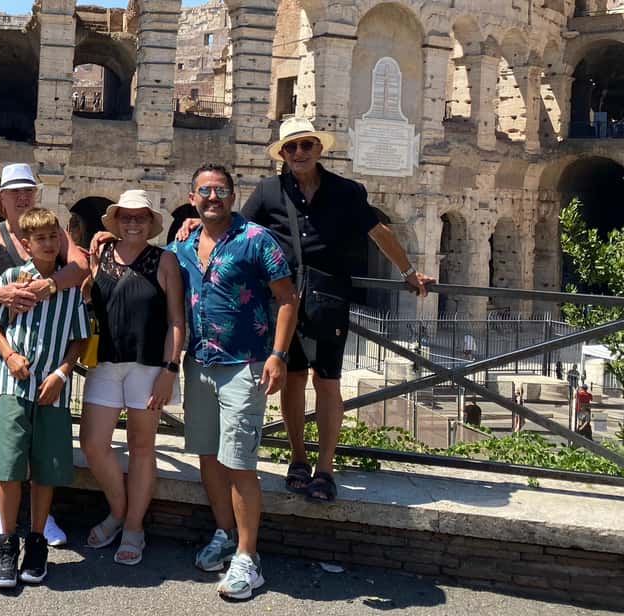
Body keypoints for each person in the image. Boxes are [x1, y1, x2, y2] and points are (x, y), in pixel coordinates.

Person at [171, 118, 434, 503]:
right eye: (291, 147)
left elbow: (379, 232)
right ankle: (298, 457)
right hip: (283, 296)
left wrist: (409, 272)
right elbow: (238, 225)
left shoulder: (346, 191)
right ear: (282, 153)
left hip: (328, 295)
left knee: (327, 381)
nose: (299, 153)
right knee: (292, 378)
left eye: (306, 145)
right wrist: (200, 220)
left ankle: (325, 467)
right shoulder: (269, 190)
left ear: (318, 149)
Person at [170, 163, 298, 599]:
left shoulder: (256, 239)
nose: (212, 197)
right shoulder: (182, 245)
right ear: (192, 197)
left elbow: (287, 298)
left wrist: (278, 355)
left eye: (220, 190)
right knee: (208, 455)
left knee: (240, 463)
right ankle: (224, 533)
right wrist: (103, 239)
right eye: (204, 190)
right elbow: (148, 261)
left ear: (233, 195)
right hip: (199, 363)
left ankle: (248, 556)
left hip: (245, 363)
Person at [0, 163, 88, 544]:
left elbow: (81, 267)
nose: (21, 196)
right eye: (14, 191)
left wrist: (50, 285)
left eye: (27, 190)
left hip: (43, 352)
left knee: (38, 437)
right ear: (1, 198)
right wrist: (3, 294)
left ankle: (38, 517)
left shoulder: (52, 232)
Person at [0, 208, 89, 589]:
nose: (47, 243)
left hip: (51, 391)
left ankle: (37, 541)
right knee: (10, 467)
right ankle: (7, 543)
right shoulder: (13, 278)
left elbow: (79, 337)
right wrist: (9, 356)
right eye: (39, 238)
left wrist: (62, 373)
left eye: (52, 237)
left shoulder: (70, 286)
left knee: (46, 469)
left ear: (60, 240)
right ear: (27, 244)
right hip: (14, 387)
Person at [80, 190, 185, 566]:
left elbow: (176, 320)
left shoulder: (165, 260)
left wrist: (170, 371)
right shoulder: (101, 253)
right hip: (106, 363)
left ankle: (133, 527)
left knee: (142, 447)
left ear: (150, 222)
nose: (133, 223)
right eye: (126, 216)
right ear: (116, 221)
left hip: (149, 365)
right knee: (93, 443)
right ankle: (120, 510)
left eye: (141, 217)